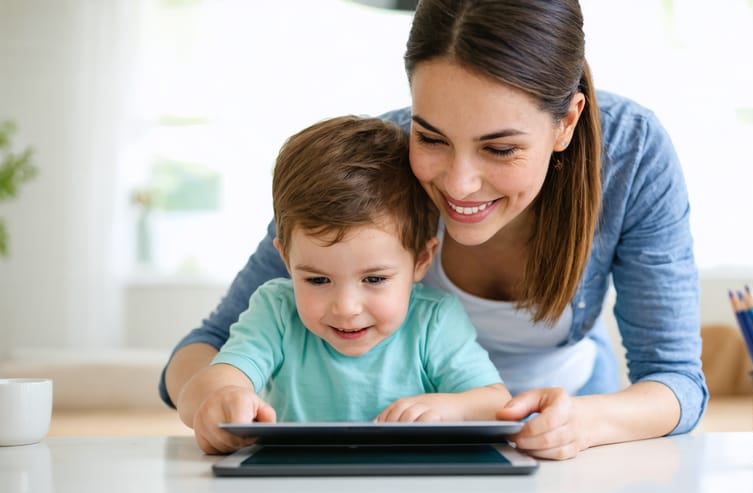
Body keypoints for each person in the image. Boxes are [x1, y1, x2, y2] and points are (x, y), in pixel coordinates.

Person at [160, 0, 708, 460]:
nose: (461, 184)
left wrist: (580, 423)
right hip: (409, 448)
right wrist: (211, 402)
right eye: (432, 137)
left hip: (571, 427)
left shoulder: (632, 154)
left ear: (566, 121)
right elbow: (199, 352)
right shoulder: (369, 170)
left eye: (500, 148)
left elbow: (676, 381)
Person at [176, 115, 510, 454]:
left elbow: (496, 405)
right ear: (286, 259)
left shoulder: (434, 321)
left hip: (410, 489)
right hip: (296, 486)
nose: (346, 308)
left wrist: (451, 409)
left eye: (375, 279)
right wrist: (218, 399)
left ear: (422, 260)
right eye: (318, 279)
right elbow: (209, 385)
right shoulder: (275, 311)